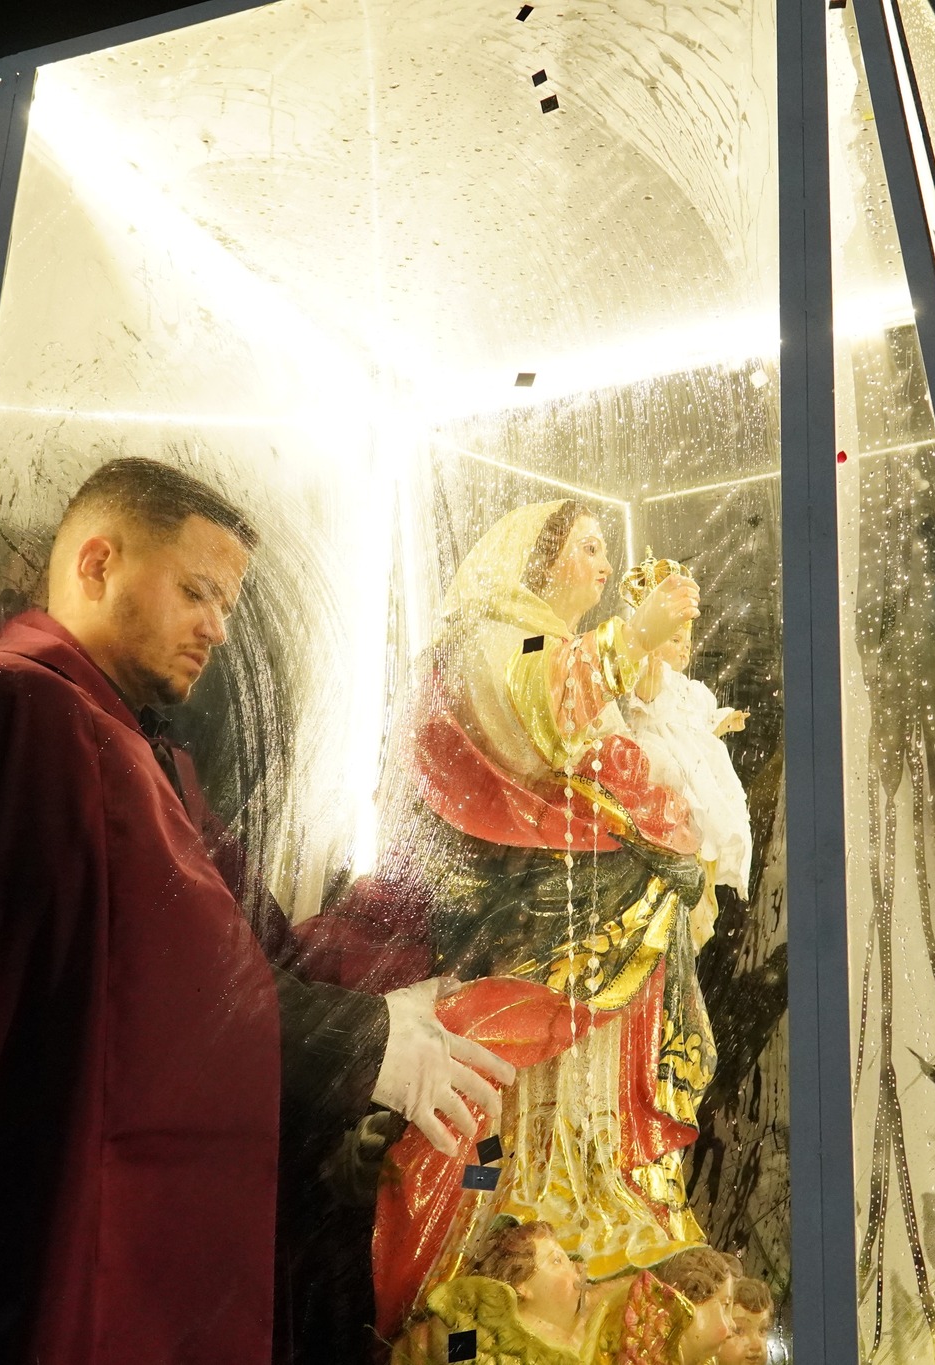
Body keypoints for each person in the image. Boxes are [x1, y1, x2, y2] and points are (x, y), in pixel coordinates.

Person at [0, 458, 512, 1364]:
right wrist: (368, 1042)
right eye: (197, 591)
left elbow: (257, 948)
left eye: (227, 603)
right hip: (37, 1222)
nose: (218, 628)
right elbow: (152, 990)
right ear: (96, 563)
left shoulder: (138, 751)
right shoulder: (21, 709)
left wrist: (411, 950)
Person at [362, 499, 721, 1335]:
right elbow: (543, 709)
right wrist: (633, 635)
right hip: (548, 905)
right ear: (539, 559)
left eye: (603, 549)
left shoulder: (550, 642)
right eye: (588, 547)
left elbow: (607, 747)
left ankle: (597, 1198)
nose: (603, 565)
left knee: (603, 1070)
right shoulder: (509, 635)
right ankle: (527, 1221)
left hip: (609, 896)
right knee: (533, 1073)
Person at [390, 1223, 742, 1365]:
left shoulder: (591, 1329)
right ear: (522, 1287)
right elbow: (434, 1347)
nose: (577, 1269)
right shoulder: (487, 1333)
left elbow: (611, 1295)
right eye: (556, 1261)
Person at [620, 554, 753, 900]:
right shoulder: (652, 674)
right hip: (663, 758)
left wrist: (726, 722)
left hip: (696, 761)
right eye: (675, 640)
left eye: (688, 644)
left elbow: (703, 727)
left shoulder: (693, 690)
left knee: (716, 805)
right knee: (687, 803)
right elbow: (645, 697)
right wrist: (649, 663)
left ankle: (705, 853)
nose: (684, 651)